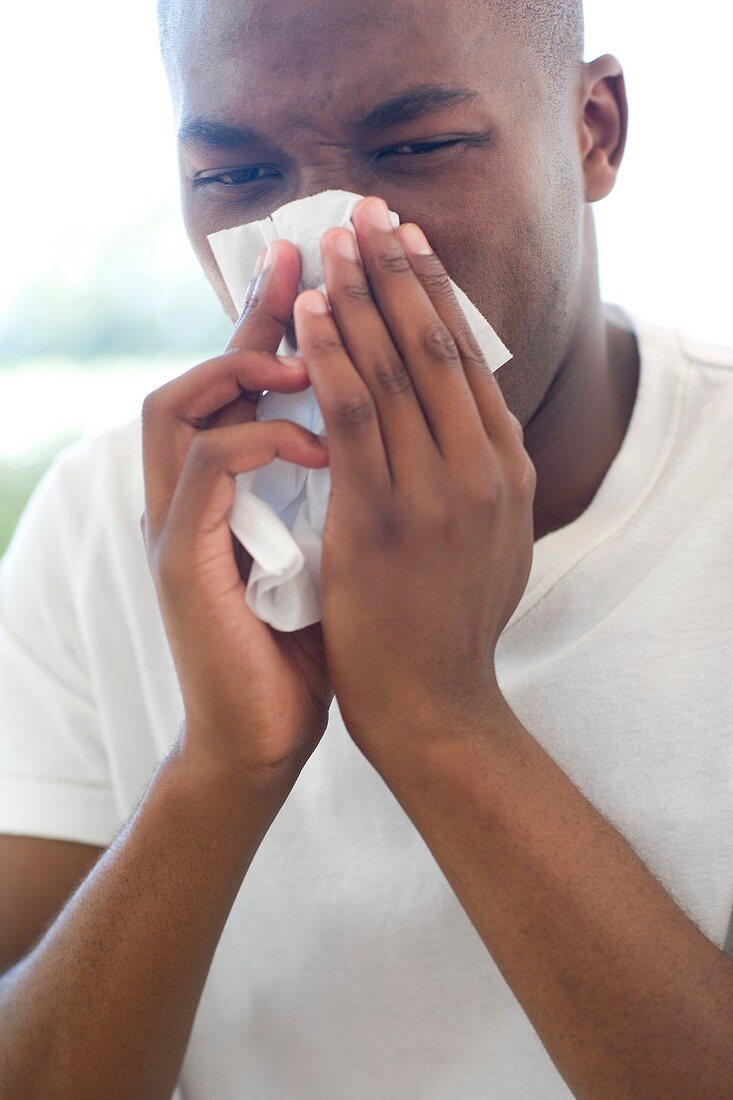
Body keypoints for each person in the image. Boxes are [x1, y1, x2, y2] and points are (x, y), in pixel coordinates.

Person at [0, 0, 731, 1096]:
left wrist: (440, 720)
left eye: (417, 149)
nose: (325, 245)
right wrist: (220, 765)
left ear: (594, 132)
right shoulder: (115, 515)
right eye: (235, 177)